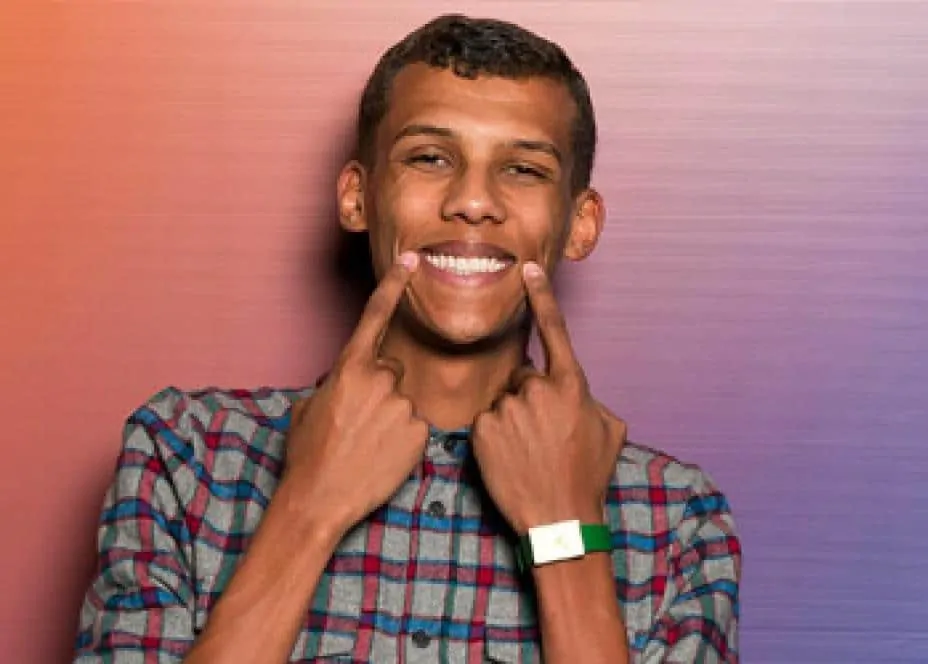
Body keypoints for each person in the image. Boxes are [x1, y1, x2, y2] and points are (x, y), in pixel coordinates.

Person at [73, 14, 740, 664]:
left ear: (580, 223)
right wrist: (308, 508)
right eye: (430, 158)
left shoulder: (678, 519)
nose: (473, 201)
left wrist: (565, 531)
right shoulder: (184, 455)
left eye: (523, 169)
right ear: (357, 198)